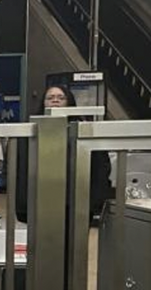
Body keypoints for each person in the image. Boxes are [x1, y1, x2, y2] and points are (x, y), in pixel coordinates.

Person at [14, 84, 113, 225]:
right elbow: (19, 167)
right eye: (50, 98)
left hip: (77, 199)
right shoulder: (30, 133)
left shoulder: (84, 131)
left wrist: (95, 200)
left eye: (61, 98)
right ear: (43, 103)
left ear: (69, 102)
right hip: (41, 199)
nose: (55, 100)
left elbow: (101, 167)